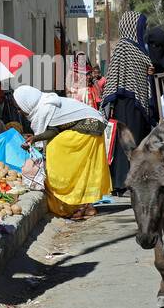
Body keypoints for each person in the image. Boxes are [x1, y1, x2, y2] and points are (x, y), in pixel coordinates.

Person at [14, 86, 112, 218]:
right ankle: (87, 206)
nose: (19, 111)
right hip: (92, 126)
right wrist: (35, 139)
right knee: (82, 169)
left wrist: (35, 138)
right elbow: (53, 129)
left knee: (56, 149)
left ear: (28, 103)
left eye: (20, 107)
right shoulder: (45, 103)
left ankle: (73, 197)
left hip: (89, 126)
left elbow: (52, 132)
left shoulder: (45, 108)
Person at [101, 12, 155, 191]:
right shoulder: (124, 46)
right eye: (142, 26)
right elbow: (114, 76)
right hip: (125, 103)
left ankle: (135, 180)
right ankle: (121, 183)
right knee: (125, 143)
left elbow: (143, 69)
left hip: (138, 103)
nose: (144, 30)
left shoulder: (140, 47)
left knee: (137, 142)